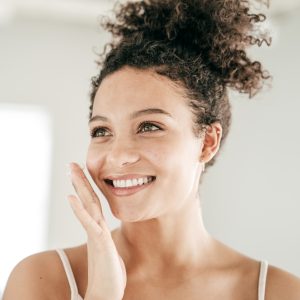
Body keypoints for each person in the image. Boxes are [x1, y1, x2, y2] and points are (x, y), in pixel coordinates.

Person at [3, 0, 300, 299]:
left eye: (149, 126)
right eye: (102, 131)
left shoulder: (280, 292)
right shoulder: (43, 281)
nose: (118, 156)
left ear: (208, 141)